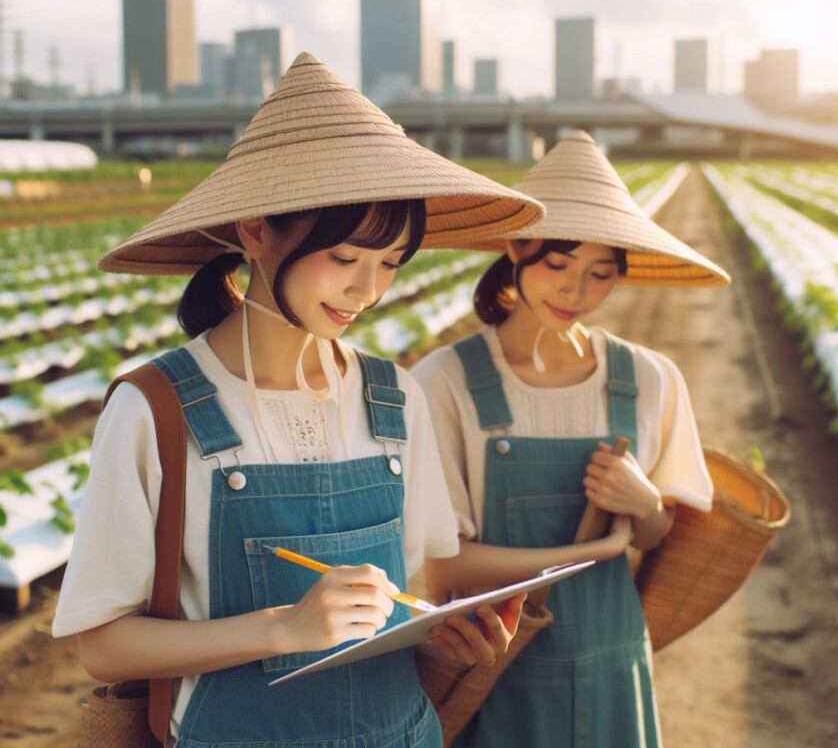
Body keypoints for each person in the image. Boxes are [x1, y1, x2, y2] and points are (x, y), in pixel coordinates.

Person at [52, 52, 545, 748]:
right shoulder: (154, 408)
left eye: (389, 265)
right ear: (255, 231)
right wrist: (282, 628)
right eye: (344, 259)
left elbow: (415, 589)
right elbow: (103, 647)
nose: (367, 291)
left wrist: (447, 638)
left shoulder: (395, 397)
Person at [412, 130, 731, 748]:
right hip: (495, 667)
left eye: (600, 274)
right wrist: (596, 553)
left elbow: (662, 533)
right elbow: (446, 562)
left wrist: (643, 508)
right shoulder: (445, 380)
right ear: (516, 246)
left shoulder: (649, 377)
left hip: (613, 662)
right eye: (557, 264)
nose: (574, 292)